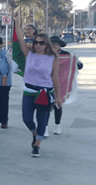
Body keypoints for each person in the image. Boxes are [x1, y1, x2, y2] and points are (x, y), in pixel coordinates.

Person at [14, 15, 62, 157]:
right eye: (36, 42)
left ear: (46, 44)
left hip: (44, 93)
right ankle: (35, 134)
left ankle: (37, 145)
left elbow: (55, 78)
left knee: (42, 121)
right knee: (27, 119)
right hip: (29, 91)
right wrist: (17, 22)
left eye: (41, 43)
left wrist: (58, 96)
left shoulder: (53, 59)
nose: (38, 45)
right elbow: (21, 39)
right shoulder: (29, 54)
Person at [49, 36, 83, 135]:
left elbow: (76, 64)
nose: (54, 45)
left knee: (58, 105)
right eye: (52, 43)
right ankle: (45, 127)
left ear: (59, 45)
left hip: (60, 83)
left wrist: (77, 62)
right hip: (46, 82)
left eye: (56, 44)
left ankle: (57, 126)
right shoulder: (45, 54)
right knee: (45, 105)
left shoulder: (67, 55)